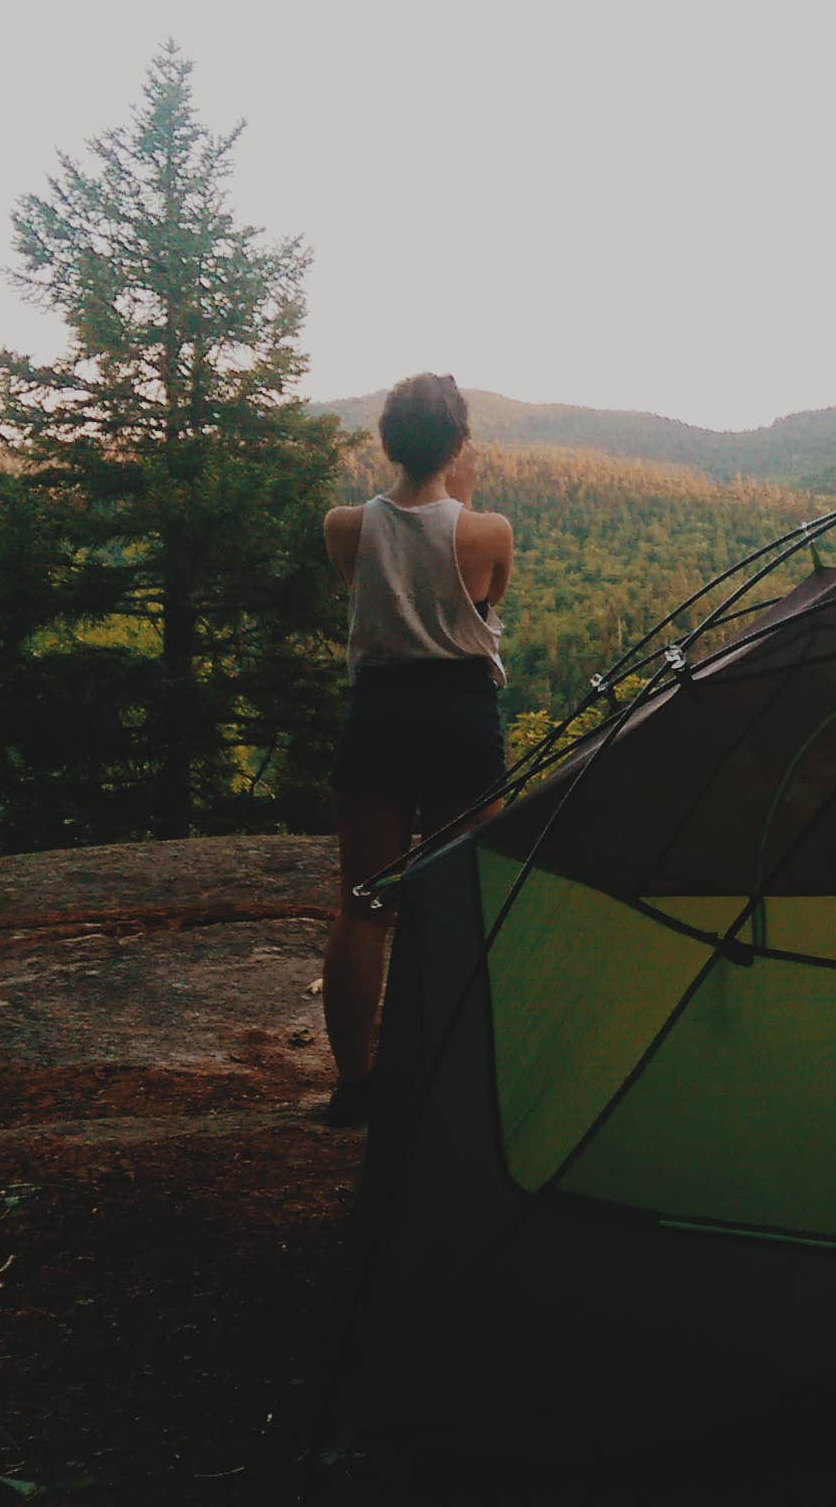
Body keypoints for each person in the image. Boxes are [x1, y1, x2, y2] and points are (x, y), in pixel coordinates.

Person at [319, 373, 513, 1125]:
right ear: (459, 443)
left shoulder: (344, 525)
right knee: (460, 901)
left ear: (386, 443)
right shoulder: (487, 530)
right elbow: (483, 603)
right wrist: (457, 497)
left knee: (364, 905)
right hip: (460, 715)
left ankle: (355, 1085)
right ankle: (450, 1075)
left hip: (380, 713)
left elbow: (371, 586)